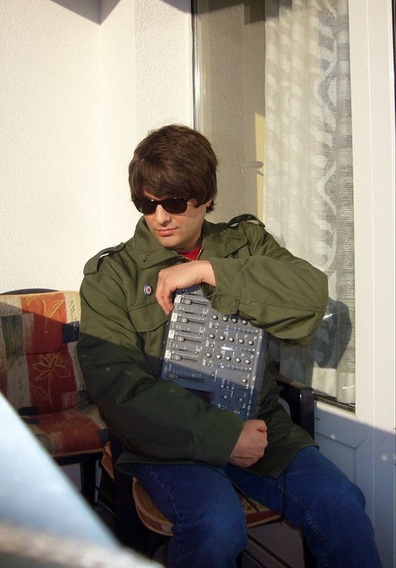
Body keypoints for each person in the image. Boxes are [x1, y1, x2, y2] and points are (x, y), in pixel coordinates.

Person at [77, 125, 381, 568]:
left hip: (259, 427)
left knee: (342, 508)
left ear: (207, 197)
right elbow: (118, 390)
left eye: (174, 203)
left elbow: (310, 297)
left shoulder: (246, 244)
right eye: (146, 204)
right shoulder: (112, 276)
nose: (160, 217)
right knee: (217, 525)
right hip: (169, 442)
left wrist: (211, 272)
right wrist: (223, 437)